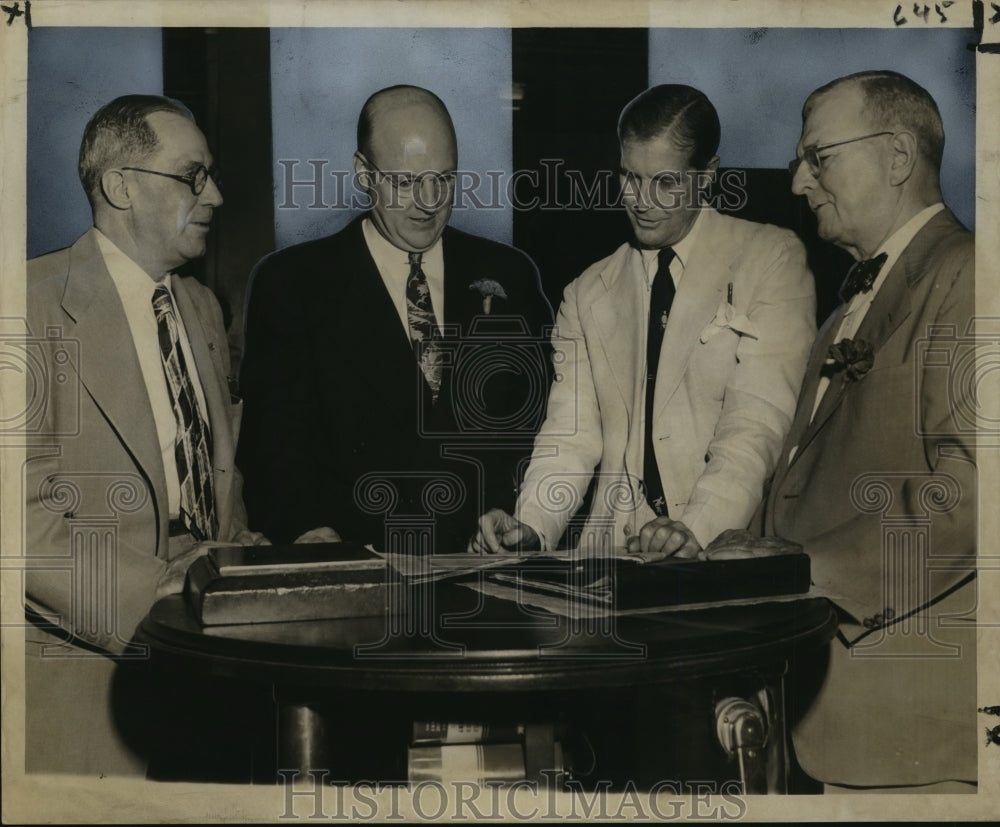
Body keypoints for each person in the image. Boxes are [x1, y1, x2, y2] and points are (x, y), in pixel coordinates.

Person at [725, 71, 977, 793]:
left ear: (897, 157)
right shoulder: (841, 317)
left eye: (819, 156)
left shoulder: (969, 275)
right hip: (832, 726)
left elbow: (974, 494)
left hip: (914, 734)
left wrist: (795, 571)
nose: (800, 180)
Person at [24, 94, 267, 775]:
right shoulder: (27, 308)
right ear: (120, 185)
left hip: (213, 678)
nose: (215, 194)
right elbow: (23, 531)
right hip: (87, 688)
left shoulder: (200, 306)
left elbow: (220, 475)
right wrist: (168, 598)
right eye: (193, 175)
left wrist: (241, 560)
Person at [471, 84, 816, 558]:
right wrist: (532, 524)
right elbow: (571, 433)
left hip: (726, 549)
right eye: (629, 177)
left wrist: (694, 528)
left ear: (707, 175)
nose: (640, 199)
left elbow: (757, 422)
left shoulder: (771, 259)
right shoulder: (588, 291)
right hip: (612, 557)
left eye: (666, 183)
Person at [238, 85, 553, 551]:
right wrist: (307, 530)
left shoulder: (510, 276)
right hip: (357, 579)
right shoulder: (291, 284)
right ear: (364, 173)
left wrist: (517, 518)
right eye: (405, 183)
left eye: (443, 179)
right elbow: (273, 446)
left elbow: (542, 426)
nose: (428, 202)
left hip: (488, 573)